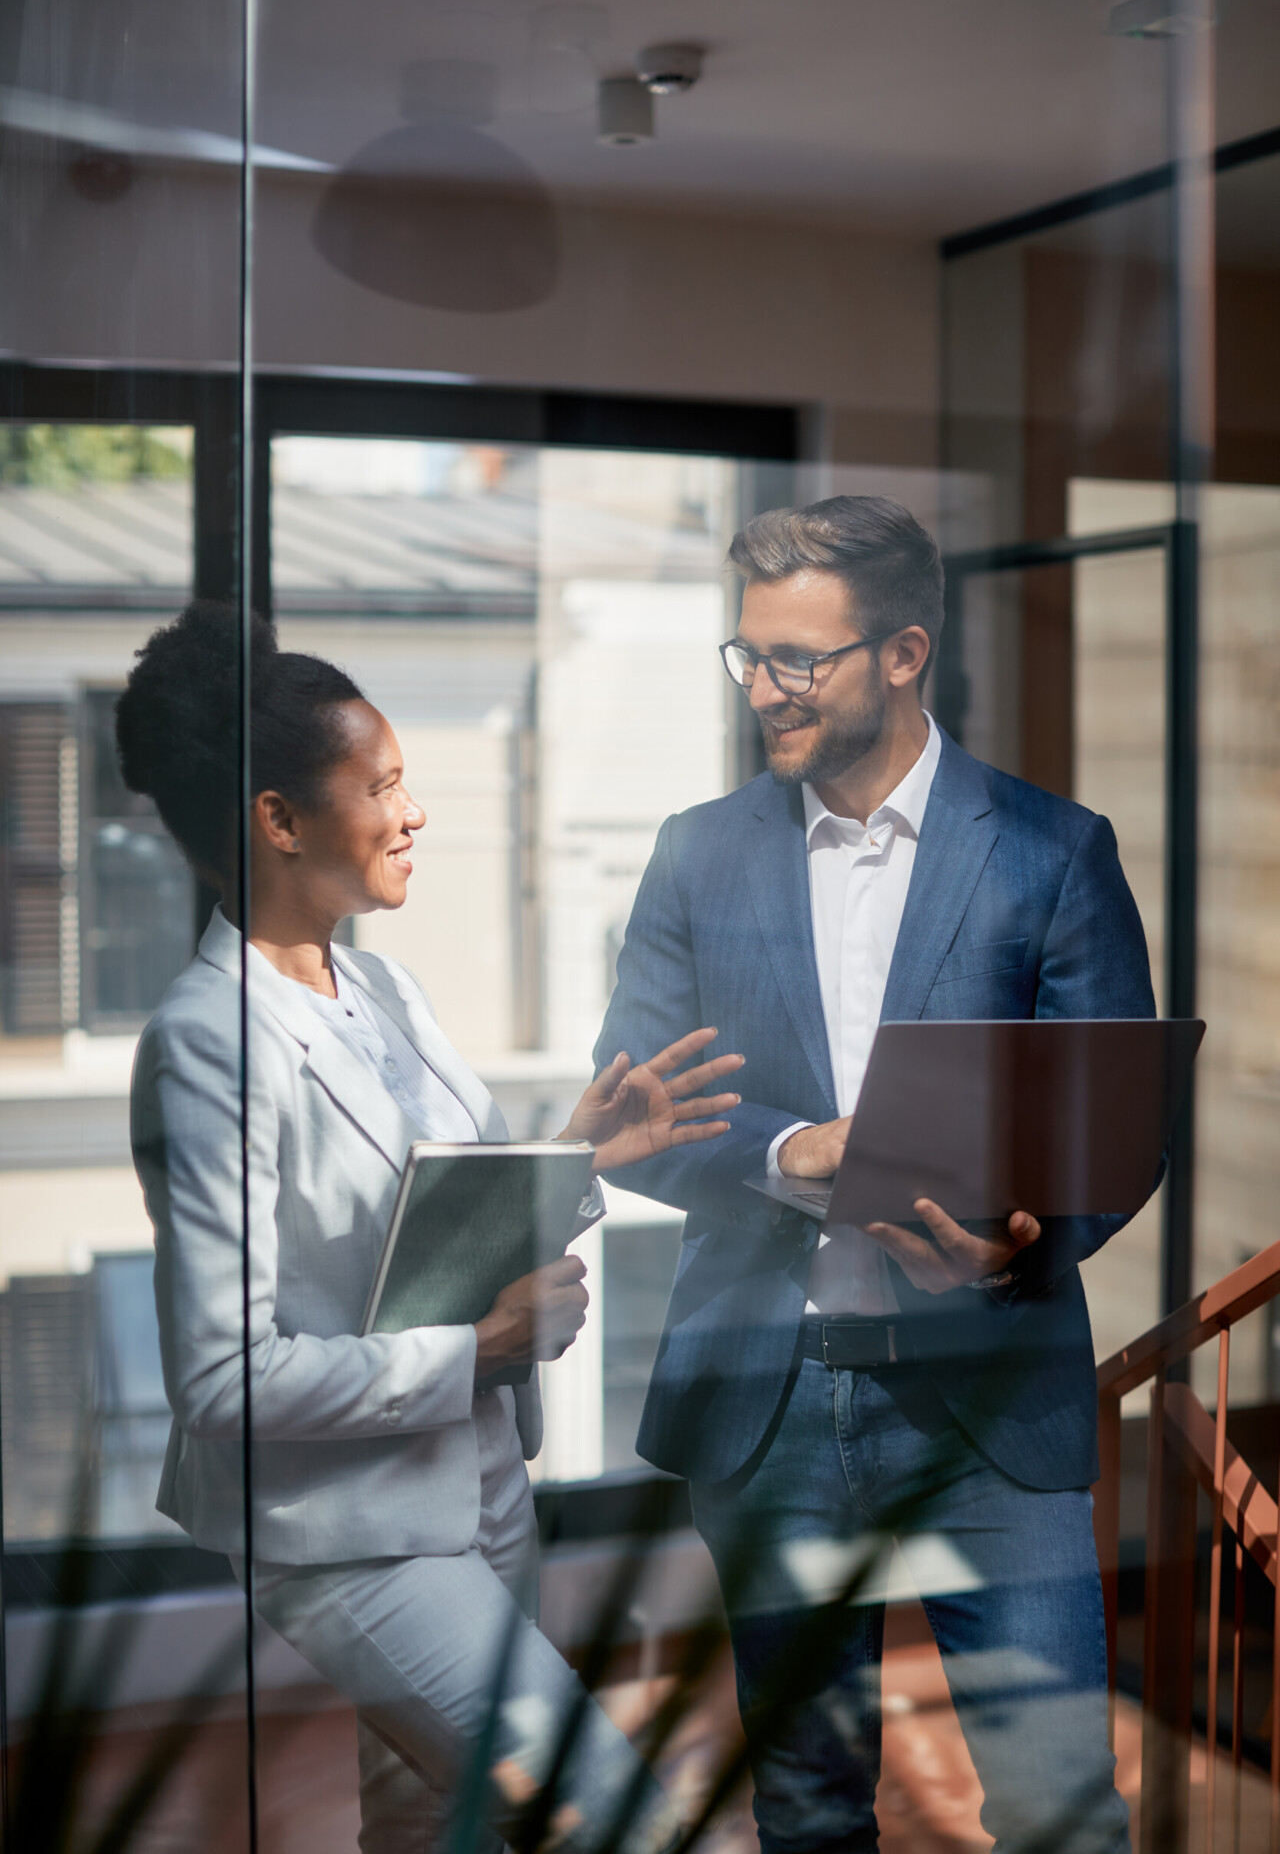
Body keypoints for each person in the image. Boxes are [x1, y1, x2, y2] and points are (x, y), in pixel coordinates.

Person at [119, 602, 745, 1854]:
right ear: (278, 821)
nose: (414, 813)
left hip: (471, 1488)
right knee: (611, 1817)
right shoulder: (207, 1042)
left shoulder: (381, 984)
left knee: (427, 1829)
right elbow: (219, 1377)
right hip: (351, 1536)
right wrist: (478, 1350)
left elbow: (432, 1226)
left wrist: (581, 1152)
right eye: (384, 785)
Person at [593, 495, 1154, 1854]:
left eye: (798, 660)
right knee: (806, 1801)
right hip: (769, 1406)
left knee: (1058, 1803)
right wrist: (797, 1148)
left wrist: (1024, 1235)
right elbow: (637, 1104)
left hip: (990, 1401)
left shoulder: (1051, 850)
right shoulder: (697, 851)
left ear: (902, 655)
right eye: (749, 656)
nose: (764, 690)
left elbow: (1117, 1120)